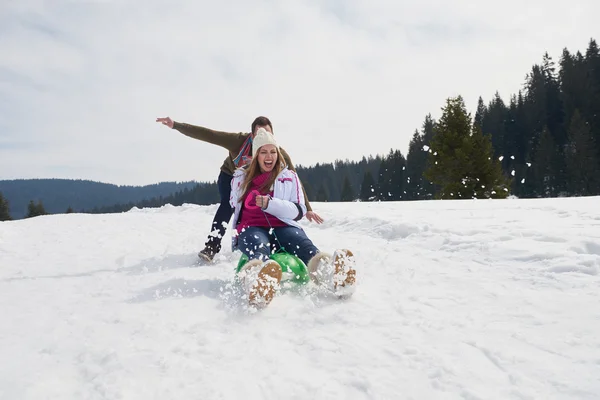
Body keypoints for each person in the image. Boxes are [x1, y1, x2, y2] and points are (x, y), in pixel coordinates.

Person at [155, 116, 323, 262]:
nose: (264, 137)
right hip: (232, 176)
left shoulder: (277, 152)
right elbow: (209, 135)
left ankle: (273, 238)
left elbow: (294, 179)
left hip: (261, 183)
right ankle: (212, 246)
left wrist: (307, 209)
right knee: (228, 206)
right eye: (259, 133)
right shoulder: (238, 141)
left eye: (268, 134)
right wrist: (176, 125)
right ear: (252, 135)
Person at [229, 128, 356, 308]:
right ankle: (256, 285)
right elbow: (234, 203)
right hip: (251, 226)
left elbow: (298, 210)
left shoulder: (288, 177)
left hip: (283, 225)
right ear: (256, 155)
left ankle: (333, 276)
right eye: (263, 152)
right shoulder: (241, 177)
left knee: (303, 245)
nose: (269, 156)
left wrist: (269, 203)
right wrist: (247, 197)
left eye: (273, 151)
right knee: (258, 247)